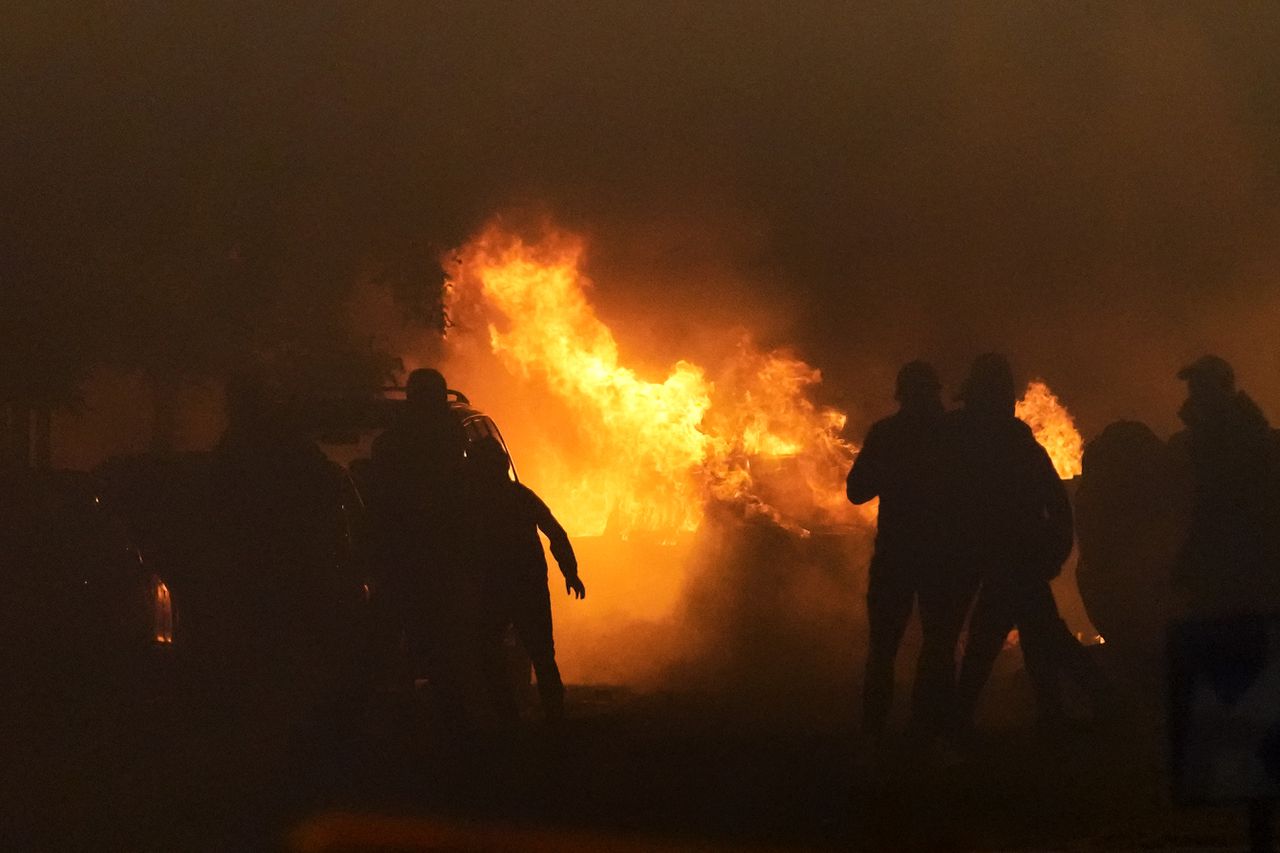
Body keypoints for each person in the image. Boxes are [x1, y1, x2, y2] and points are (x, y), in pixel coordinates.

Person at [950, 354, 1104, 733]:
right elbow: (1056, 504)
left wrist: (1053, 550)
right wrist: (1054, 551)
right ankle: (1074, 709)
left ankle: (959, 722)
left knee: (1004, 640)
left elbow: (1054, 504)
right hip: (1018, 560)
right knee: (1043, 636)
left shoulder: (996, 446)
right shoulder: (1012, 445)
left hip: (1011, 561)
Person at [847, 361, 972, 749]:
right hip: (941, 557)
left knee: (885, 647)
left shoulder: (887, 434)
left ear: (901, 394)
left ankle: (874, 735)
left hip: (897, 554)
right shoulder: (954, 434)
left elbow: (856, 491)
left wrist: (891, 470)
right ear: (934, 392)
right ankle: (932, 734)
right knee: (938, 647)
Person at [366, 368, 470, 721]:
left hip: (407, 556)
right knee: (443, 637)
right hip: (436, 556)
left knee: (411, 634)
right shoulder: (454, 439)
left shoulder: (392, 443)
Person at [465, 436, 584, 725]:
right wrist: (569, 572)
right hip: (525, 586)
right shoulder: (519, 496)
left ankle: (511, 716)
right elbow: (555, 532)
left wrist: (570, 571)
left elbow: (555, 533)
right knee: (540, 653)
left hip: (498, 588)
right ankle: (552, 720)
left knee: (492, 651)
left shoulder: (471, 504)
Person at [1169, 355, 1279, 615]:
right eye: (1194, 387)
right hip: (1231, 567)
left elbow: (1215, 506)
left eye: (1202, 386)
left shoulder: (1239, 440)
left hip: (1241, 569)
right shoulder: (1218, 436)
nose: (1194, 395)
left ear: (1223, 389)